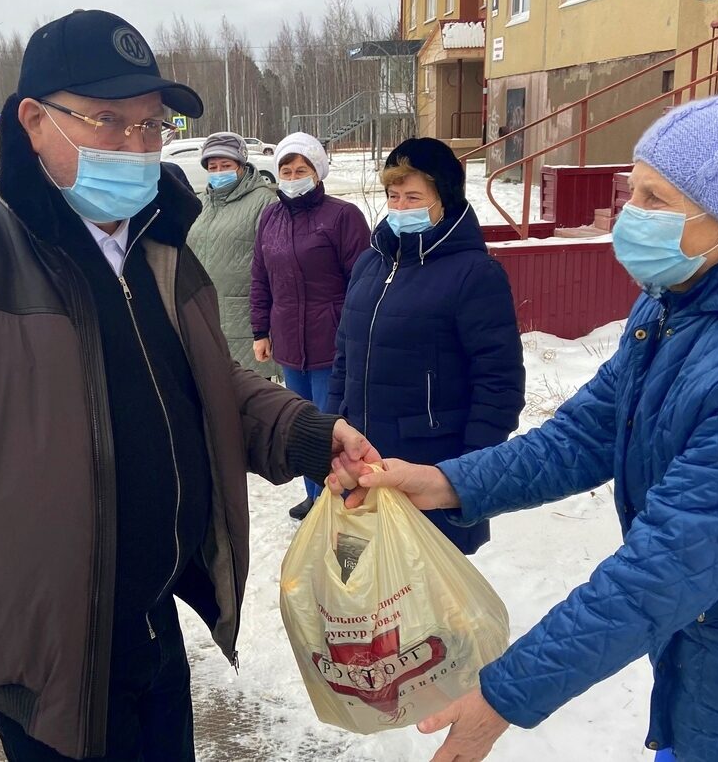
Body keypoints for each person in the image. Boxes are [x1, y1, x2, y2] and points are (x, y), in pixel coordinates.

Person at [0, 9, 378, 762]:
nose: (136, 147)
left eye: (151, 126)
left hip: (152, 620)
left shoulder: (155, 243)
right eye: (107, 121)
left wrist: (302, 432)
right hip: (42, 657)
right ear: (33, 121)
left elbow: (198, 379)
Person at [334, 93, 718, 762]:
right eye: (631, 191)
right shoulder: (681, 304)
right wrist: (444, 481)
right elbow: (584, 435)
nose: (628, 215)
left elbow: (666, 566)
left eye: (654, 199)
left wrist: (505, 695)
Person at [328, 138, 524, 555]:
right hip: (363, 461)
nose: (399, 208)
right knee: (365, 588)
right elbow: (344, 356)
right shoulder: (370, 263)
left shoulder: (475, 274)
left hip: (431, 469)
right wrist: (330, 427)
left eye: (413, 196)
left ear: (445, 200)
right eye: (393, 196)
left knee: (426, 601)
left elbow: (499, 384)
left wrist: (469, 474)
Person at [250, 132, 370, 520]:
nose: (292, 175)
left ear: (318, 174)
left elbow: (362, 281)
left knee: (330, 425)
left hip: (330, 342)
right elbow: (260, 277)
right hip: (287, 340)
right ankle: (314, 495)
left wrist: (354, 334)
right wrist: (260, 330)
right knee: (302, 426)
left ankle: (334, 500)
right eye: (286, 169)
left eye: (301, 169)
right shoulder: (270, 216)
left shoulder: (342, 216)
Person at [188, 131, 278, 377]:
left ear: (241, 165)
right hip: (205, 318)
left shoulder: (263, 202)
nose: (218, 172)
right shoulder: (201, 203)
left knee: (253, 401)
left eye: (226, 165)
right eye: (213, 166)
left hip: (245, 322)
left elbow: (271, 265)